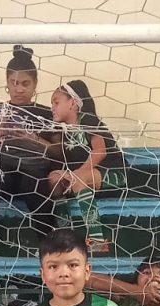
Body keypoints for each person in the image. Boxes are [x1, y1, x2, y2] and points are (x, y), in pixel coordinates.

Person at [0, 46, 57, 257]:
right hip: (2, 176)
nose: (19, 89)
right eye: (13, 83)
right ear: (6, 83)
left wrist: (30, 137)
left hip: (31, 175)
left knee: (38, 181)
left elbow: (59, 153)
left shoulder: (45, 113)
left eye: (25, 83)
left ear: (35, 84)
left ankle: (48, 244)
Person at [47, 80, 126, 254]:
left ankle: (97, 239)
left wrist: (76, 174)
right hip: (83, 178)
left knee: (77, 177)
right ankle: (64, 236)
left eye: (56, 102)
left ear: (73, 103)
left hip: (113, 175)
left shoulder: (89, 121)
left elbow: (100, 152)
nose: (52, 107)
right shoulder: (64, 132)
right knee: (53, 178)